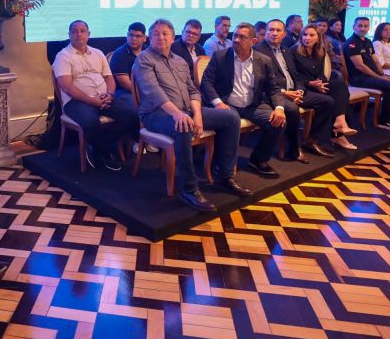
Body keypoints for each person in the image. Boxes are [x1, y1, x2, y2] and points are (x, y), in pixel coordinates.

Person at [134, 19, 246, 212]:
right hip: (155, 114)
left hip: (186, 110)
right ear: (149, 38)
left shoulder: (180, 61)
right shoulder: (144, 59)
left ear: (173, 37)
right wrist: (178, 114)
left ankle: (225, 176)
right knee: (183, 126)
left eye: (165, 34)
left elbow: (193, 91)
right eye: (156, 34)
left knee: (231, 118)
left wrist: (198, 115)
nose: (161, 37)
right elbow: (153, 92)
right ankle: (189, 189)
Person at [200, 22, 287, 176]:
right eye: (235, 36)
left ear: (253, 41)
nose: (236, 40)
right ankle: (222, 163)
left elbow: (273, 88)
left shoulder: (264, 60)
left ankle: (258, 159)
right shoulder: (220, 57)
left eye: (242, 37)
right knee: (230, 120)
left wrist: (279, 108)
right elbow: (206, 82)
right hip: (227, 104)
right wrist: (218, 102)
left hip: (252, 105)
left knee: (278, 122)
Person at [53, 20, 138, 171]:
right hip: (76, 101)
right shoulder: (63, 56)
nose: (79, 34)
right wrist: (91, 101)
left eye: (82, 31)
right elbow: (67, 87)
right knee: (91, 121)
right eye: (75, 31)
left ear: (89, 34)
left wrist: (110, 94)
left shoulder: (98, 53)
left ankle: (99, 146)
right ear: (69, 35)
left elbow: (109, 78)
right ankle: (105, 153)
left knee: (132, 115)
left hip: (104, 97)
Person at [254, 20, 335, 160]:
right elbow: (261, 81)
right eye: (271, 30)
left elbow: (296, 75)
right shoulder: (257, 50)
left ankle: (311, 140)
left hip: (294, 91)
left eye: (278, 30)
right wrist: (285, 92)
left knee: (327, 102)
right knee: (292, 109)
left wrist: (300, 91)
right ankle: (295, 147)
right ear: (265, 32)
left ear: (284, 34)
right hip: (275, 94)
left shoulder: (286, 50)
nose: (274, 33)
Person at [291, 25, 358, 150]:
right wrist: (311, 84)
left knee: (340, 87)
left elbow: (321, 73)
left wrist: (320, 83)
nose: (307, 38)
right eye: (305, 34)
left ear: (318, 37)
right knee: (333, 99)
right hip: (303, 86)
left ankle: (340, 122)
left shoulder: (320, 51)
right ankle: (338, 132)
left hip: (317, 85)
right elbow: (294, 76)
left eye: (312, 35)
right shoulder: (294, 51)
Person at [343, 17, 390, 130]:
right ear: (354, 27)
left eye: (366, 26)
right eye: (360, 26)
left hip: (373, 76)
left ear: (369, 27)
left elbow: (376, 61)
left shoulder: (367, 41)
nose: (363, 28)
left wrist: (382, 74)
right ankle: (385, 120)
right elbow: (360, 66)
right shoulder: (351, 43)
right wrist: (379, 77)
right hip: (359, 78)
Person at [109, 22, 148, 107]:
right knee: (139, 107)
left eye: (138, 36)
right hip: (124, 92)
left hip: (146, 89)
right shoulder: (119, 54)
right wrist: (146, 94)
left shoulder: (149, 51)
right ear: (127, 35)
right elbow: (124, 83)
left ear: (144, 38)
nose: (133, 38)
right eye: (131, 35)